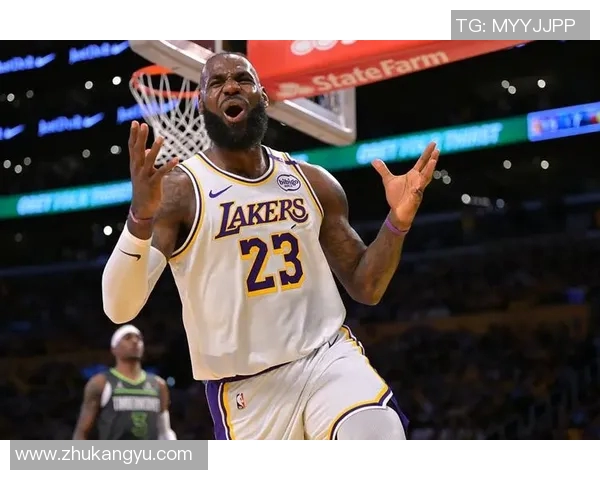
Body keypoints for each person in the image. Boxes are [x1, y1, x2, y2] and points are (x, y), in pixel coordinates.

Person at [102, 52, 439, 440]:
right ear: (201, 103)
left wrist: (397, 221)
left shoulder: (313, 182)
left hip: (326, 359)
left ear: (263, 96)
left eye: (243, 79)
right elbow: (119, 308)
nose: (231, 86)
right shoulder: (181, 192)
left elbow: (367, 286)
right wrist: (139, 218)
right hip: (247, 391)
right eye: (217, 82)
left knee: (378, 436)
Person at [73, 325, 177, 440]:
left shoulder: (158, 384)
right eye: (127, 338)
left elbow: (164, 431)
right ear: (114, 348)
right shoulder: (101, 383)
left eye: (139, 338)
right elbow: (82, 431)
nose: (135, 341)